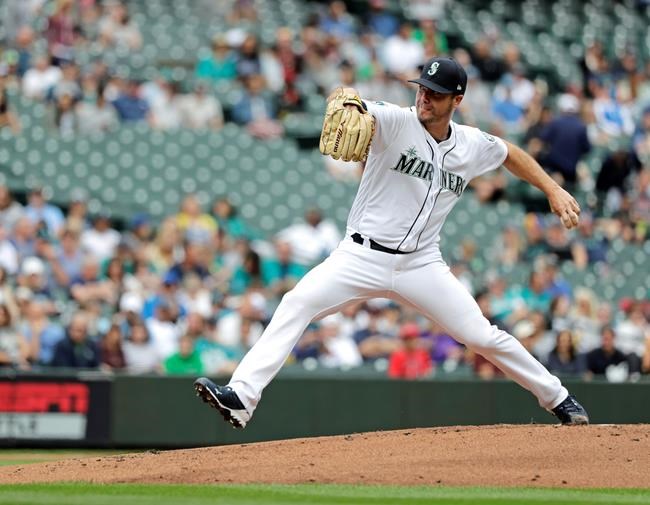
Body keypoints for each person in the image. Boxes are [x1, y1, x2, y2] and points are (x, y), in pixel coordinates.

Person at [194, 56, 589, 428]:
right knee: (296, 303)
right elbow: (349, 101)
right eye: (421, 89)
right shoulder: (396, 120)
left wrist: (552, 189)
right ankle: (241, 397)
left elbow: (509, 153)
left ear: (458, 100)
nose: (424, 98)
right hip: (361, 255)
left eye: (434, 92)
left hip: (422, 264)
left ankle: (559, 399)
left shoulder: (470, 144)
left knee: (481, 336)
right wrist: (344, 102)